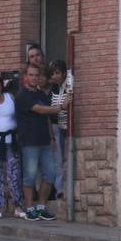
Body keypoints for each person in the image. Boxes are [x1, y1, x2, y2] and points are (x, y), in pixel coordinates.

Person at [13, 63, 62, 221]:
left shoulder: (40, 94)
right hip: (29, 142)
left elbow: (46, 117)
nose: (34, 77)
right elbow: (40, 110)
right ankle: (29, 208)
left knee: (50, 175)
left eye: (36, 75)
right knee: (30, 177)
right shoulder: (22, 95)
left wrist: (52, 137)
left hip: (45, 142)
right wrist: (59, 107)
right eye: (31, 75)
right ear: (25, 77)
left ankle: (41, 207)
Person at [0, 72, 26, 219]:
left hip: (10, 141)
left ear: (1, 85)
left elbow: (17, 116)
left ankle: (18, 206)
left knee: (14, 174)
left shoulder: (10, 98)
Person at [46, 59, 73, 201]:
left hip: (66, 127)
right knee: (58, 160)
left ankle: (62, 188)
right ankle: (59, 190)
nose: (55, 76)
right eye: (53, 73)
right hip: (57, 127)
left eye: (57, 73)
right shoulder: (54, 89)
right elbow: (50, 111)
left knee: (64, 159)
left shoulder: (68, 86)